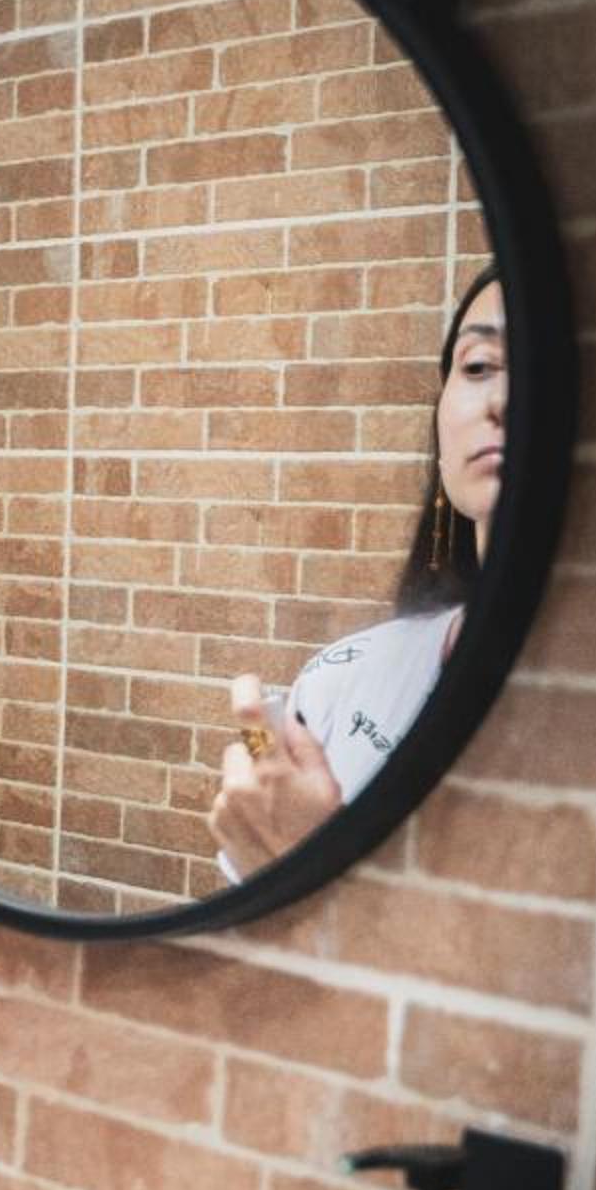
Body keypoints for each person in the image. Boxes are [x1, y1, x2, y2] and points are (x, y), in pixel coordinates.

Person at [210, 264, 502, 876]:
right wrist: (268, 854)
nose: (501, 401)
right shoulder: (341, 678)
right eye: (478, 367)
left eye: (551, 372)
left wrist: (313, 872)